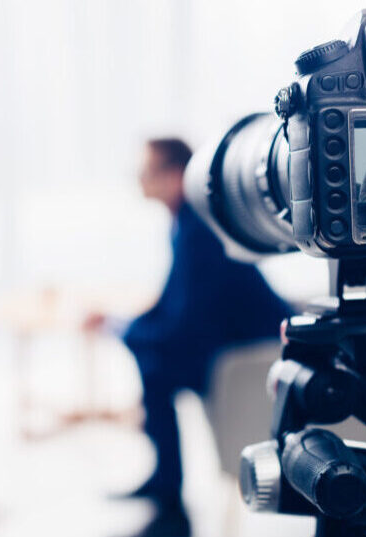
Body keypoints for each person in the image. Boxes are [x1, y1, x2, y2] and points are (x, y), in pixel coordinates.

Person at [83, 138, 293, 537]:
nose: (140, 181)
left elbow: (186, 320)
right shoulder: (189, 222)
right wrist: (119, 325)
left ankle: (170, 506)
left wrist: (125, 331)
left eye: (147, 172)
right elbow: (171, 303)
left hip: (252, 356)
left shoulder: (199, 229)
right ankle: (165, 486)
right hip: (232, 345)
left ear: (176, 175)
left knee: (155, 363)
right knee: (150, 354)